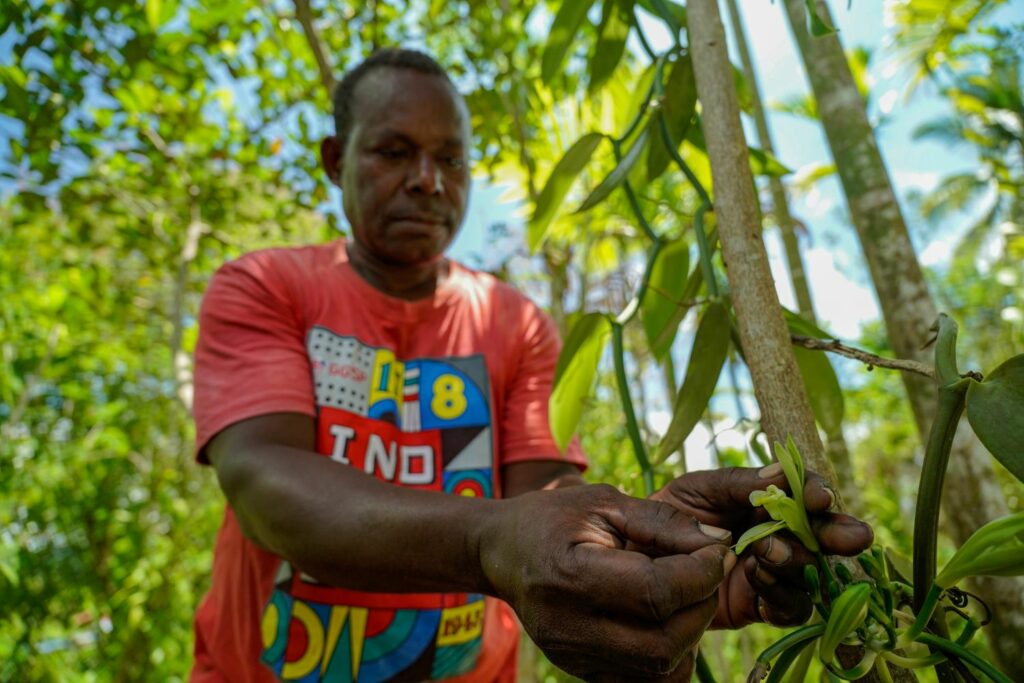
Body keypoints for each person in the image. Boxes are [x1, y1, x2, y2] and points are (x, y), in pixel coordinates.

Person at [189, 48, 872, 683]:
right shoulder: (266, 285)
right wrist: (493, 540)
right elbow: (265, 481)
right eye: (394, 152)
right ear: (336, 160)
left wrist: (662, 549)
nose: (428, 182)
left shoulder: (511, 321)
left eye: (451, 161)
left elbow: (544, 504)